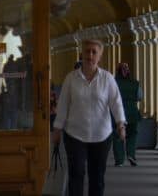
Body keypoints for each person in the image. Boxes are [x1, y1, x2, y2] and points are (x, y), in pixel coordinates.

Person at [52, 39, 126, 196]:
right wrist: (57, 129)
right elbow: (63, 104)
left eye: (94, 52)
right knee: (76, 174)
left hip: (101, 136)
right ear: (81, 54)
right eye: (87, 51)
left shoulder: (107, 79)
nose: (90, 55)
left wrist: (120, 124)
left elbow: (116, 102)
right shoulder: (71, 79)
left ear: (99, 56)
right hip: (75, 135)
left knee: (97, 177)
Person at [112, 62, 142, 167]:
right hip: (132, 112)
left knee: (116, 135)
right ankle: (131, 155)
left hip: (117, 113)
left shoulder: (114, 83)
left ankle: (119, 160)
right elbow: (139, 97)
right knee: (132, 135)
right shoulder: (135, 83)